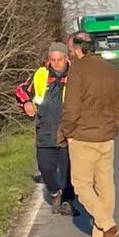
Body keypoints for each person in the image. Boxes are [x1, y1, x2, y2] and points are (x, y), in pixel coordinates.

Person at [59, 30, 119, 237]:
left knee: (81, 185)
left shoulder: (78, 70)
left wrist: (67, 132)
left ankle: (108, 226)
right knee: (105, 184)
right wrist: (114, 127)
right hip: (107, 136)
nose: (70, 54)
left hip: (83, 136)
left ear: (77, 49)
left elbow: (71, 108)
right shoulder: (111, 69)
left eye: (70, 50)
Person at [14, 43, 76, 215]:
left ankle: (68, 201)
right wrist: (26, 102)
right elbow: (21, 90)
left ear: (67, 59)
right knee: (46, 167)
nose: (56, 63)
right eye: (53, 60)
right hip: (45, 129)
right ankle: (55, 192)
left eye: (60, 60)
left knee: (70, 170)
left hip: (69, 131)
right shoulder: (40, 75)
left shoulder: (76, 76)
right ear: (49, 59)